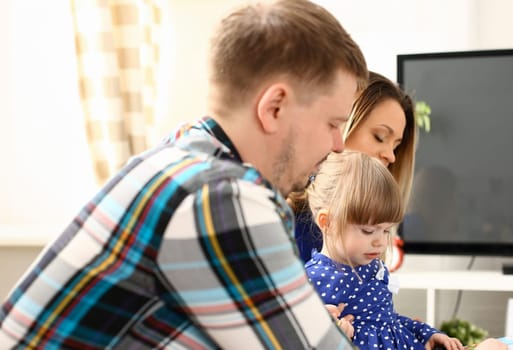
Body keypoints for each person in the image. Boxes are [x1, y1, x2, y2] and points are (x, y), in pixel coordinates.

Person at [0, 0, 368, 348]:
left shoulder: (176, 154)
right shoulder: (221, 198)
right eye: (333, 123)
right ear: (274, 107)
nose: (338, 144)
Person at [304, 151, 509, 350]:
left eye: (386, 230)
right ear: (327, 222)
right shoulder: (312, 279)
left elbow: (388, 320)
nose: (380, 242)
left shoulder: (372, 266)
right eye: (368, 231)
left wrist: (426, 333)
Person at [290, 71, 417, 265]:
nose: (391, 156)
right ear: (342, 124)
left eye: (396, 146)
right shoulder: (289, 219)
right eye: (380, 137)